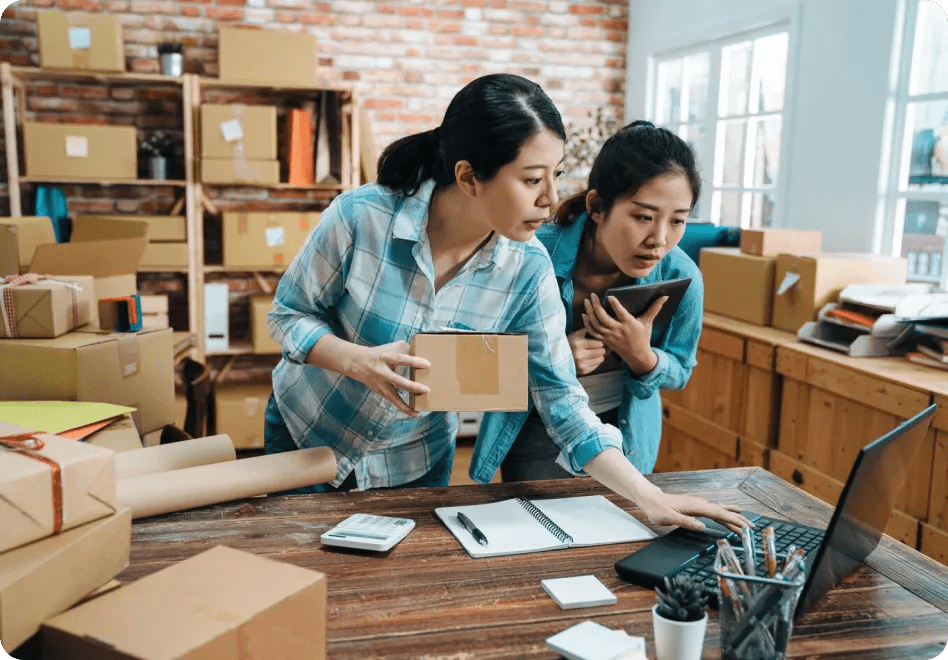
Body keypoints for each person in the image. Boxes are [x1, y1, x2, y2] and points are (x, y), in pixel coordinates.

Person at [266, 73, 747, 532]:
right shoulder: (362, 217)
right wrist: (358, 361)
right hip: (308, 433)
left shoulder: (527, 266)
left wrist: (649, 497)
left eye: (556, 176)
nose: (552, 199)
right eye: (532, 180)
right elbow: (288, 313)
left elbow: (561, 399)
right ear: (469, 176)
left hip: (411, 462)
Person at [475, 120, 704, 482]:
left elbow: (681, 371)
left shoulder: (682, 277)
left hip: (626, 437)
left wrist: (643, 357)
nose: (659, 239)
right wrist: (555, 360)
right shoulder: (533, 255)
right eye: (643, 217)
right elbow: (476, 360)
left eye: (678, 221)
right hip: (537, 430)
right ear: (597, 207)